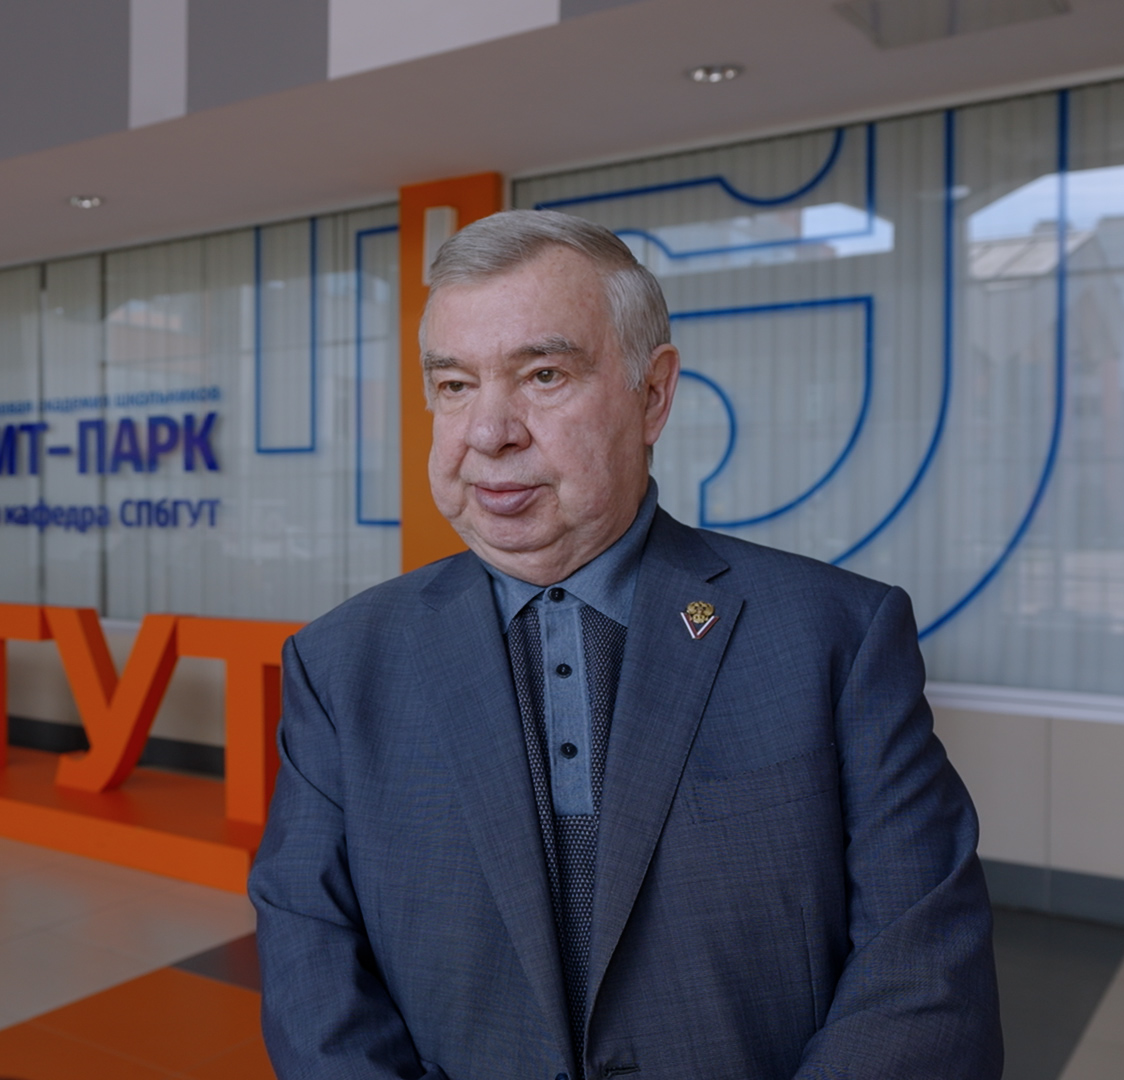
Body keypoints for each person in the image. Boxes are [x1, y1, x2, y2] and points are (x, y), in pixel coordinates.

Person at [248, 210, 1001, 1079]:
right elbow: (311, 967)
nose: (489, 432)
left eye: (543, 375)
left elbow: (923, 975)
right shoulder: (341, 665)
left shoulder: (836, 636)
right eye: (454, 385)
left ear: (653, 396)